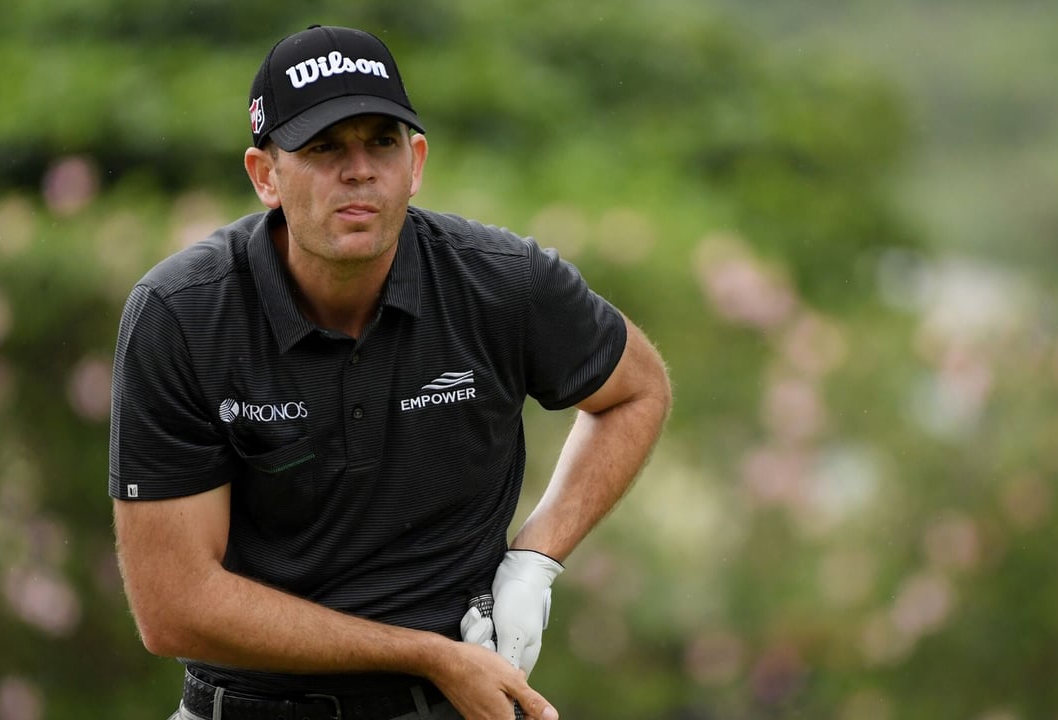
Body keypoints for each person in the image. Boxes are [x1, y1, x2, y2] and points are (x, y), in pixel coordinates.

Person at [108, 24, 671, 720]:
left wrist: (537, 559)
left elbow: (637, 389)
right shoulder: (183, 314)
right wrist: (424, 652)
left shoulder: (501, 283)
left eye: (381, 141)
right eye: (322, 148)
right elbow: (175, 608)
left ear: (417, 161)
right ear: (264, 176)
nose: (359, 169)